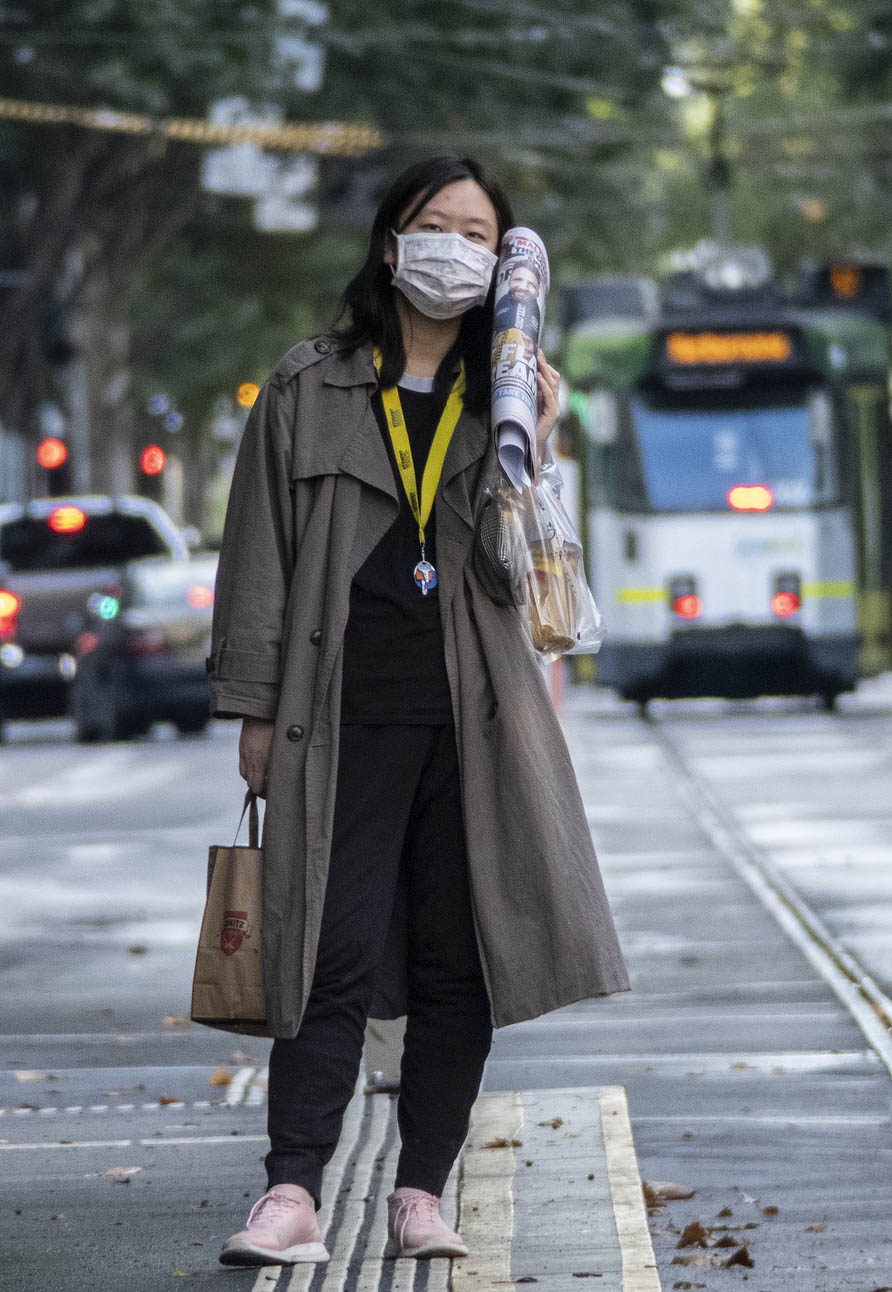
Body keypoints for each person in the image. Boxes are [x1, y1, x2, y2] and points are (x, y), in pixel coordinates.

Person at [207, 155, 629, 1268]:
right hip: (335, 713)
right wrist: (252, 707)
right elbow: (259, 556)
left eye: (477, 233)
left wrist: (534, 439)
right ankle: (290, 1187)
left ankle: (419, 1189)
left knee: (459, 956)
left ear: (504, 263)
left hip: (476, 718)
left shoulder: (512, 395)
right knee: (320, 950)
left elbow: (530, 577)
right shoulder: (309, 386)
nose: (453, 247)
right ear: (391, 246)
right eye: (433, 225)